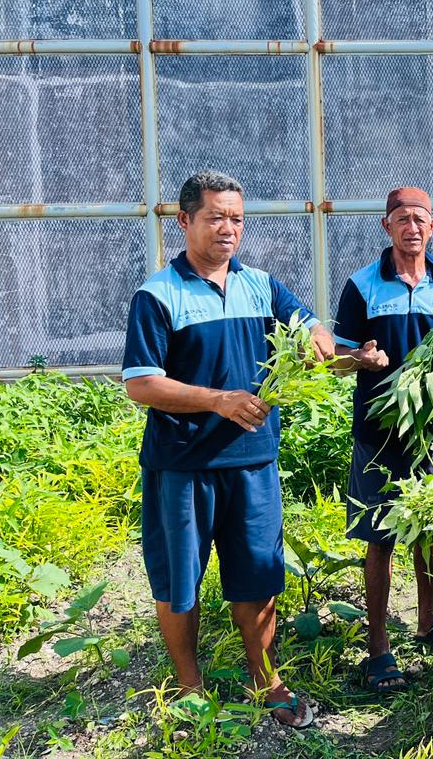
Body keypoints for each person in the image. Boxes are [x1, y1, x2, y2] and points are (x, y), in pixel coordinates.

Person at [123, 170, 334, 729]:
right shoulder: (158, 294)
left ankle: (266, 679)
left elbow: (310, 326)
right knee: (179, 580)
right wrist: (218, 400)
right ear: (184, 220)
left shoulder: (260, 285)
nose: (228, 229)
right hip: (183, 463)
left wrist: (319, 337)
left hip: (252, 461)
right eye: (216, 217)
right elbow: (141, 383)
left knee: (258, 574)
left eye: (237, 219)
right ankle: (188, 683)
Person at [332, 186, 433, 694]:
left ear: (432, 227)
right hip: (380, 432)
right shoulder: (361, 286)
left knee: (432, 530)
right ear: (386, 226)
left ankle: (428, 621)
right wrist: (360, 359)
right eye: (402, 219)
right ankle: (378, 647)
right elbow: (337, 357)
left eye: (420, 219)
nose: (412, 227)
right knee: (380, 538)